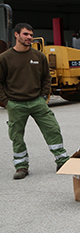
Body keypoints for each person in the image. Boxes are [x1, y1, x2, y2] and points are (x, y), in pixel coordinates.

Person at [0, 23, 71, 180]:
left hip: (37, 102)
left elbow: (47, 77)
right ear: (16, 35)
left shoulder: (39, 56)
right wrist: (6, 102)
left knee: (52, 129)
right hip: (15, 104)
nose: (29, 38)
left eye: (31, 35)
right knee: (16, 136)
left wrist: (43, 96)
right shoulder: (5, 58)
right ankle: (21, 167)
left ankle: (62, 160)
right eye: (26, 34)